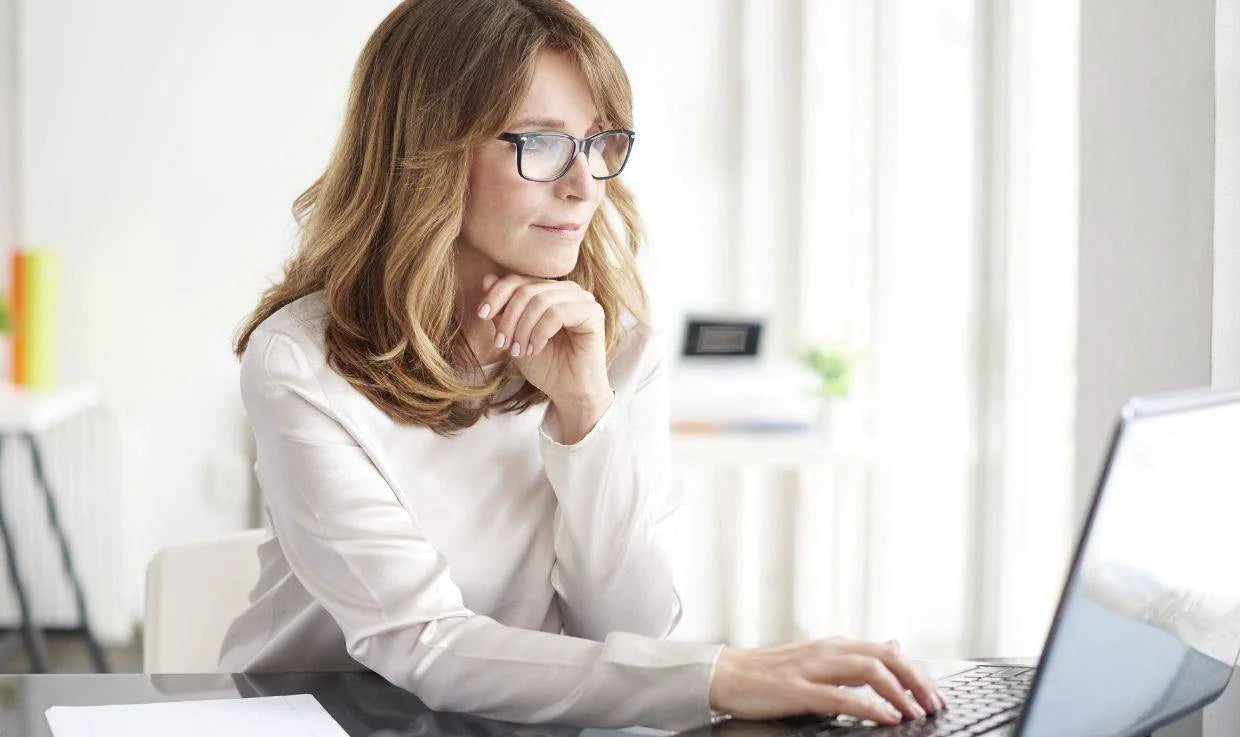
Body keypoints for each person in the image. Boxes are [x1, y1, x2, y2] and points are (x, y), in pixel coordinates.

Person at [221, 0, 946, 731]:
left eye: (599, 144)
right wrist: (726, 672)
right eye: (541, 143)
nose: (585, 185)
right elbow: (424, 642)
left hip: (508, 719)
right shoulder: (300, 363)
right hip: (322, 716)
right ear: (427, 153)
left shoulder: (614, 343)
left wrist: (587, 414)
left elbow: (627, 629)